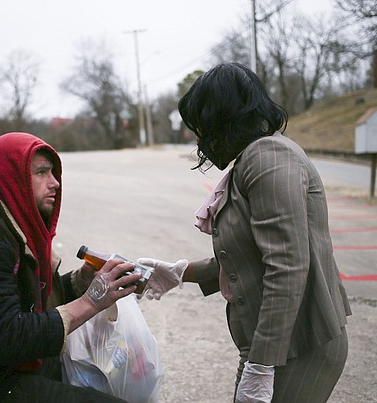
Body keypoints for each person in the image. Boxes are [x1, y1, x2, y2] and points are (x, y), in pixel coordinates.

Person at [138, 63, 352, 403]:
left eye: (203, 128)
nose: (200, 140)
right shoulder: (254, 158)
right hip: (277, 344)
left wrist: (262, 365)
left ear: (223, 120)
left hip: (299, 343)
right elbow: (251, 255)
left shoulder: (268, 157)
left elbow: (286, 266)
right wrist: (180, 273)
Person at [0, 132, 140, 402]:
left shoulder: (10, 227)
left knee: (108, 375)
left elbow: (27, 305)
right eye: (41, 172)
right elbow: (7, 337)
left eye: (53, 172)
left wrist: (81, 281)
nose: (55, 183)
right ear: (13, 178)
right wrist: (92, 301)